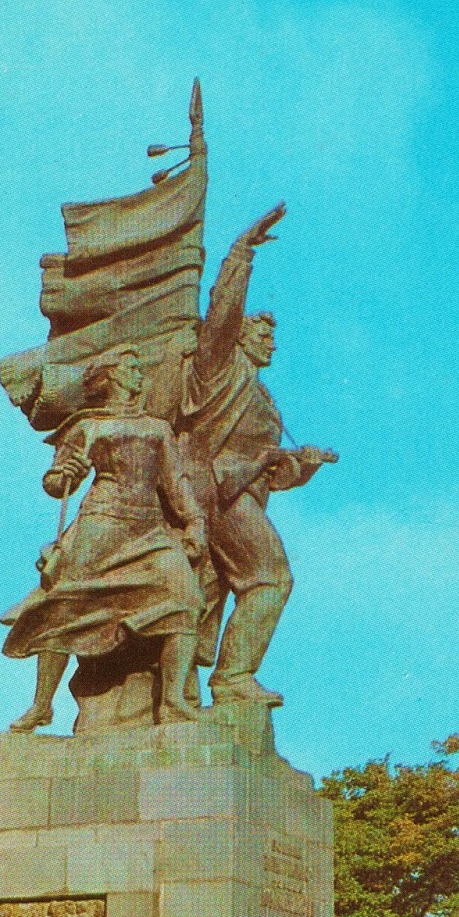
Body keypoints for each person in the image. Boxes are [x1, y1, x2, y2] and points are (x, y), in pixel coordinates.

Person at [1, 344, 206, 728]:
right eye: (131, 368)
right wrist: (66, 474)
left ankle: (174, 701)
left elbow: (175, 482)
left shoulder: (158, 428)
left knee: (186, 599)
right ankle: (42, 704)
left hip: (149, 528)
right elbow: (56, 480)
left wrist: (194, 521)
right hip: (101, 523)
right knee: (64, 606)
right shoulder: (87, 425)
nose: (139, 375)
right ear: (111, 376)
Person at [181, 204, 336, 706]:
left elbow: (277, 471)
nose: (272, 342)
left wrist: (303, 463)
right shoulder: (220, 370)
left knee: (216, 596)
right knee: (270, 577)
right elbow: (223, 310)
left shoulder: (263, 397)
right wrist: (241, 254)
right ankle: (231, 679)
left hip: (243, 494)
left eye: (274, 336)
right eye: (263, 334)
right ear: (238, 338)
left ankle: (195, 683)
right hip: (218, 492)